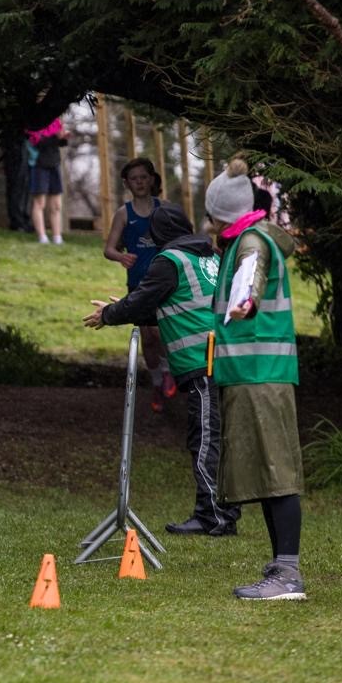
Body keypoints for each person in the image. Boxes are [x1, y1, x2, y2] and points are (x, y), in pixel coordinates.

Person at [84, 202, 241, 537]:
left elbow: (144, 300)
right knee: (219, 437)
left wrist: (109, 314)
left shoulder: (170, 260)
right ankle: (225, 511)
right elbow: (172, 307)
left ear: (158, 234)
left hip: (201, 360)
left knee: (204, 438)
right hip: (223, 358)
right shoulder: (209, 257)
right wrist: (120, 310)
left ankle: (212, 516)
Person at [205, 156, 306, 601]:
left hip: (260, 375)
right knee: (268, 473)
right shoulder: (248, 239)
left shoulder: (250, 242)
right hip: (253, 375)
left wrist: (246, 301)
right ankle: (281, 567)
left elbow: (252, 276)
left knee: (277, 472)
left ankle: (288, 574)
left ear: (220, 213)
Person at [101, 158, 179, 412]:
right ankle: (156, 383)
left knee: (159, 331)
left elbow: (181, 238)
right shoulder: (124, 214)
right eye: (134, 179)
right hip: (137, 283)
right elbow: (109, 249)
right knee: (147, 336)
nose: (140, 182)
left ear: (152, 179)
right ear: (126, 183)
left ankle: (167, 372)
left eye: (144, 177)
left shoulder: (164, 209)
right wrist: (121, 257)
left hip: (164, 281)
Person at [26, 119, 68, 245]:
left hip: (54, 164)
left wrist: (63, 138)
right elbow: (36, 143)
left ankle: (57, 237)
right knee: (40, 203)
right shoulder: (34, 122)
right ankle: (42, 237)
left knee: (56, 205)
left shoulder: (56, 121)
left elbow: (61, 143)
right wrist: (55, 137)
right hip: (39, 165)